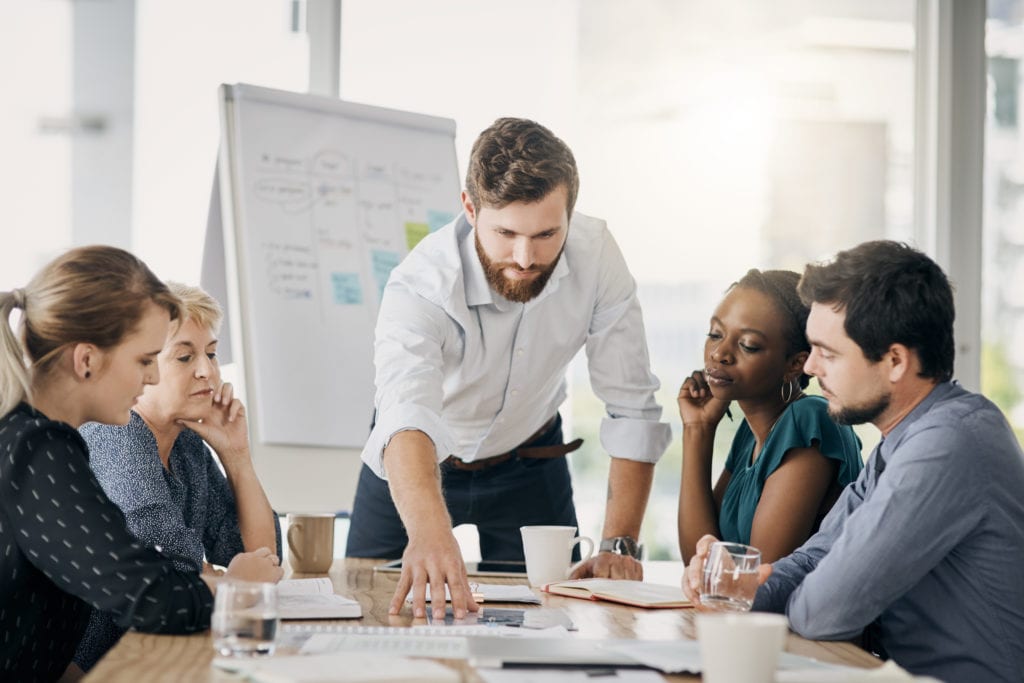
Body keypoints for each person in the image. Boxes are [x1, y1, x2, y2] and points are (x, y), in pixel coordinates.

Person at [346, 117, 672, 620]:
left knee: (549, 618)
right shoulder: (421, 284)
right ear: (470, 208)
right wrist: (431, 534)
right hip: (419, 460)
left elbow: (632, 407)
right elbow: (406, 411)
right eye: (506, 233)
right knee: (370, 606)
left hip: (530, 458)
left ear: (570, 213)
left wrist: (619, 544)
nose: (525, 258)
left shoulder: (597, 254)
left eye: (546, 233)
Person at [683, 241, 1024, 682]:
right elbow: (811, 560)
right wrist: (740, 584)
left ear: (895, 361)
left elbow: (824, 613)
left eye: (829, 353)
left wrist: (768, 588)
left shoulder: (950, 443)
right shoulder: (897, 444)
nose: (812, 369)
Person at [0, 246, 283, 682]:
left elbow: (161, 574)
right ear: (87, 360)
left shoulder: (42, 441)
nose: (150, 377)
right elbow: (152, 593)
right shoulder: (39, 449)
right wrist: (234, 587)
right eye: (145, 360)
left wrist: (237, 459)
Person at [72, 282, 282, 671]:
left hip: (161, 649)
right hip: (103, 666)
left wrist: (237, 458)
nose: (208, 371)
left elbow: (261, 562)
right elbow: (168, 571)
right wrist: (224, 579)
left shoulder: (189, 445)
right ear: (144, 365)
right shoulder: (114, 433)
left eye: (213, 354)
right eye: (185, 357)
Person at [677, 269, 862, 563]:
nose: (719, 353)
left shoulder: (810, 421)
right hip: (739, 609)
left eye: (747, 344)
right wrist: (697, 429)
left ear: (795, 364)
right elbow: (697, 561)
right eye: (715, 334)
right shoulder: (751, 436)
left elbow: (757, 579)